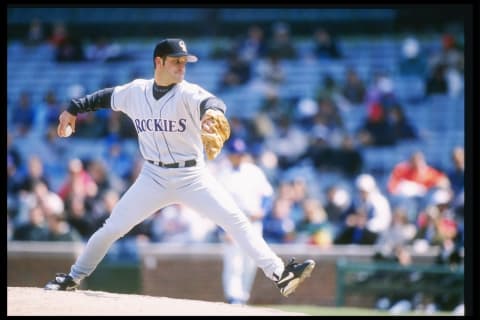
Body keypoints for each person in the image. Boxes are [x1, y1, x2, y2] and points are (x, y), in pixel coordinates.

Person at [43, 38, 315, 297]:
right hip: (153, 176)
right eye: (176, 62)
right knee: (112, 228)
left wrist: (213, 114)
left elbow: (212, 103)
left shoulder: (188, 93)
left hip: (192, 176)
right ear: (158, 62)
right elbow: (103, 98)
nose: (182, 67)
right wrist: (72, 109)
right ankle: (73, 277)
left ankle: (280, 274)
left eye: (185, 62)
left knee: (237, 222)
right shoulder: (135, 91)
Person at [215, 138, 274, 305]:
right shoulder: (222, 174)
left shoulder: (254, 171)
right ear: (229, 155)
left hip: (252, 222)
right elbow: (215, 204)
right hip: (231, 223)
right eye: (235, 154)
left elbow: (267, 194)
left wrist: (262, 210)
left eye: (240, 154)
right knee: (234, 262)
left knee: (252, 261)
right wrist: (222, 229)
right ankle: (233, 297)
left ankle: (243, 296)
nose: (238, 157)